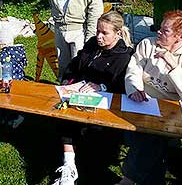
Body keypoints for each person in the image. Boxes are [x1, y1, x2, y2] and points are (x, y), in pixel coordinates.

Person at [119, 10, 182, 185]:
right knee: (152, 142)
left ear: (180, 37)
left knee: (151, 139)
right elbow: (134, 68)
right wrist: (134, 88)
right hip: (140, 103)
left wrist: (173, 66)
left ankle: (128, 179)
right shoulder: (148, 44)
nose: (159, 32)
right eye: (160, 29)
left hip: (169, 114)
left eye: (165, 31)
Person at [53, 11, 134, 185]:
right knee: (66, 117)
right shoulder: (92, 44)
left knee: (76, 123)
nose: (98, 36)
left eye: (104, 33)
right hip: (77, 92)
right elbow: (75, 64)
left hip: (105, 105)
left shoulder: (125, 56)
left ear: (118, 34)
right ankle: (69, 165)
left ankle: (73, 165)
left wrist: (102, 87)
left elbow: (124, 85)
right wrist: (68, 80)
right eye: (97, 31)